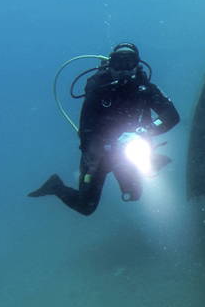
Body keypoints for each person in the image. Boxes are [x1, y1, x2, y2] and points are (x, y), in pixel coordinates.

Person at [29, 42, 179, 215]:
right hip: (99, 154)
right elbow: (86, 130)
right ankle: (55, 186)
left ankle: (146, 161)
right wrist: (101, 148)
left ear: (137, 65)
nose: (124, 69)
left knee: (133, 195)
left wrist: (145, 131)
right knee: (86, 207)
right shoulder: (97, 90)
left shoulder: (146, 89)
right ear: (110, 65)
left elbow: (171, 116)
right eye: (118, 63)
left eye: (129, 62)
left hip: (129, 152)